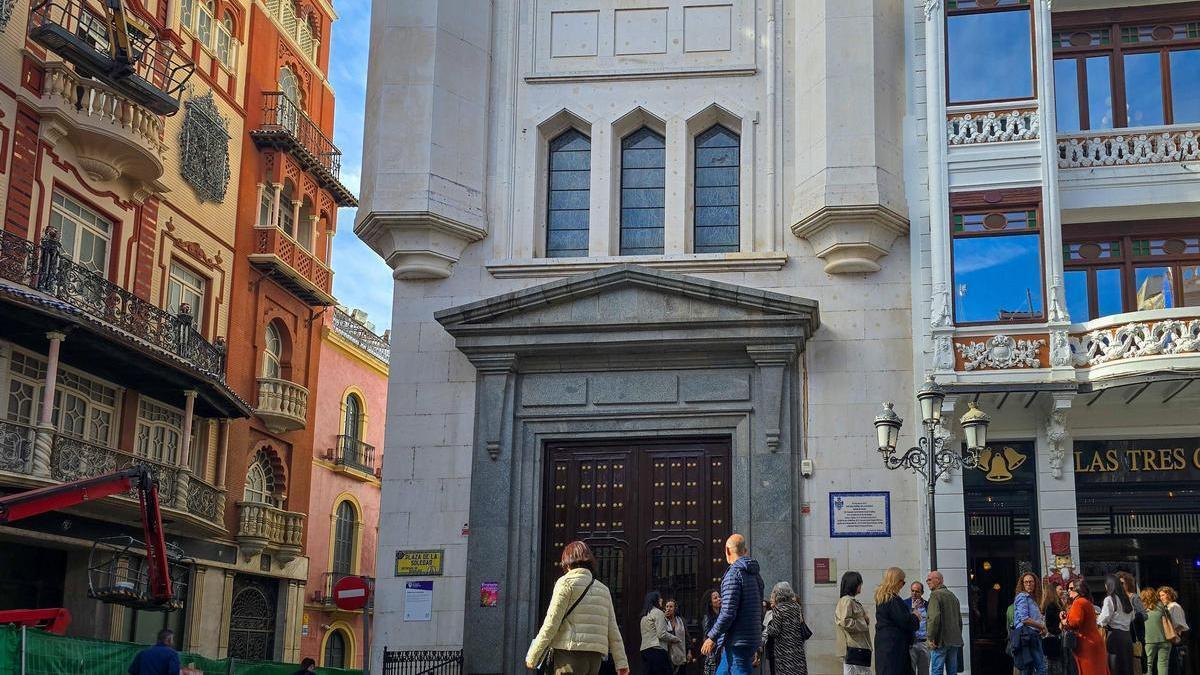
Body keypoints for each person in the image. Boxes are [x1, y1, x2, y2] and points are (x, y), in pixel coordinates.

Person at [526, 541, 631, 675]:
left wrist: (534, 655)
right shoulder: (603, 589)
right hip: (594, 659)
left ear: (567, 562)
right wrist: (621, 663)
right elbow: (613, 629)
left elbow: (552, 622)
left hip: (569, 654)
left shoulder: (566, 583)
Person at [700, 534, 764, 675]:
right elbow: (760, 609)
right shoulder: (755, 575)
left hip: (737, 640)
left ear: (728, 551)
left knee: (740, 670)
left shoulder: (733, 574)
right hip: (748, 637)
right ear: (745, 550)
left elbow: (728, 612)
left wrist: (712, 637)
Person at [876, 567, 920, 675]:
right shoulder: (893, 600)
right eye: (902, 582)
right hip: (895, 646)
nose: (902, 586)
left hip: (885, 645)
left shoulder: (882, 597)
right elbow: (905, 621)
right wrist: (915, 616)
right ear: (896, 581)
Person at [1061, 579, 1107, 675]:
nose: (1069, 590)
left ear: (1079, 589)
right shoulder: (1086, 602)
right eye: (1068, 588)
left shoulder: (1078, 602)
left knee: (1089, 671)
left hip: (1086, 643)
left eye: (1071, 588)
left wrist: (1064, 621)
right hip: (1094, 641)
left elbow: (1074, 623)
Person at [762, 582, 809, 675]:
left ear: (778, 594)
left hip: (784, 651)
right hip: (797, 647)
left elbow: (774, 631)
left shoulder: (779, 609)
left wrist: (768, 625)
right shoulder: (796, 607)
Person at [926, 571, 964, 675]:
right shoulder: (953, 596)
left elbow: (934, 618)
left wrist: (930, 637)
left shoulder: (935, 595)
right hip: (954, 640)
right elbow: (959, 619)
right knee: (952, 671)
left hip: (940, 640)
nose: (927, 582)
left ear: (938, 580)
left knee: (937, 670)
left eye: (929, 579)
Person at [836, 571, 872, 675]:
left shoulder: (848, 600)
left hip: (852, 645)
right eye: (859, 584)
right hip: (854, 645)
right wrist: (864, 621)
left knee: (850, 672)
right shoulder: (847, 601)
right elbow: (845, 621)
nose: (861, 586)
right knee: (865, 672)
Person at [1013, 572, 1049, 675]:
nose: (1028, 584)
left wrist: (1040, 628)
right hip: (1028, 635)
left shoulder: (1031, 598)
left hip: (1031, 635)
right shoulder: (1023, 597)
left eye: (1031, 582)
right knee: (1041, 667)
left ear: (1035, 583)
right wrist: (1042, 626)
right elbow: (1025, 619)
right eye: (1026, 582)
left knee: (1028, 668)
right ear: (1022, 584)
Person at [1100, 575, 1136, 675]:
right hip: (1127, 636)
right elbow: (1132, 616)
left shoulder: (1109, 599)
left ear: (1109, 585)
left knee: (1114, 666)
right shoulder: (1126, 598)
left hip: (1114, 635)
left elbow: (1104, 619)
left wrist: (1096, 619)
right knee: (1127, 666)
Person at [640, 591, 679, 675]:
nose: (661, 600)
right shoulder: (658, 612)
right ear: (655, 600)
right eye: (659, 598)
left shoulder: (644, 616)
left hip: (645, 651)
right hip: (657, 650)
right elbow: (661, 634)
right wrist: (675, 638)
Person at [1157, 587, 1189, 675]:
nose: (1161, 598)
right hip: (1167, 639)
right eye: (1160, 596)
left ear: (1169, 595)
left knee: (1174, 665)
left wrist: (1172, 633)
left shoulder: (1175, 606)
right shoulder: (1165, 607)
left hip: (1173, 640)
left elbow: (1181, 625)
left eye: (1163, 595)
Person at [1143, 588, 1171, 675]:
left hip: (1148, 641)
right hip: (1165, 639)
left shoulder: (1141, 608)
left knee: (1147, 665)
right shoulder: (1161, 605)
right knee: (1163, 664)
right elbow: (1169, 619)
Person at [906, 581, 931, 675]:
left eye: (917, 591)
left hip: (924, 642)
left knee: (924, 671)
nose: (914, 593)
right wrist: (913, 608)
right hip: (911, 643)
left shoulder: (927, 605)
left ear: (922, 593)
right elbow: (905, 621)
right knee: (910, 671)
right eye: (912, 591)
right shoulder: (905, 604)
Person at [1041, 580, 1064, 675]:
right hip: (1054, 640)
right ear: (1054, 591)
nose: (1062, 591)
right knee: (1055, 667)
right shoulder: (1052, 605)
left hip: (1052, 640)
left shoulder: (1054, 604)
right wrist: (1059, 629)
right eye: (1060, 589)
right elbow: (1050, 625)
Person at [664, 599, 690, 675]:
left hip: (680, 654)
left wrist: (689, 652)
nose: (668, 609)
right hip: (667, 655)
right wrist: (663, 618)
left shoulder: (681, 620)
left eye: (671, 607)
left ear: (675, 609)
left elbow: (687, 636)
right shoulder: (663, 620)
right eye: (667, 606)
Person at [701, 589, 723, 675]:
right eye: (715, 598)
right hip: (713, 652)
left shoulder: (723, 615)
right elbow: (707, 635)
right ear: (710, 603)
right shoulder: (707, 617)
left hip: (722, 650)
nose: (719, 599)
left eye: (719, 597)